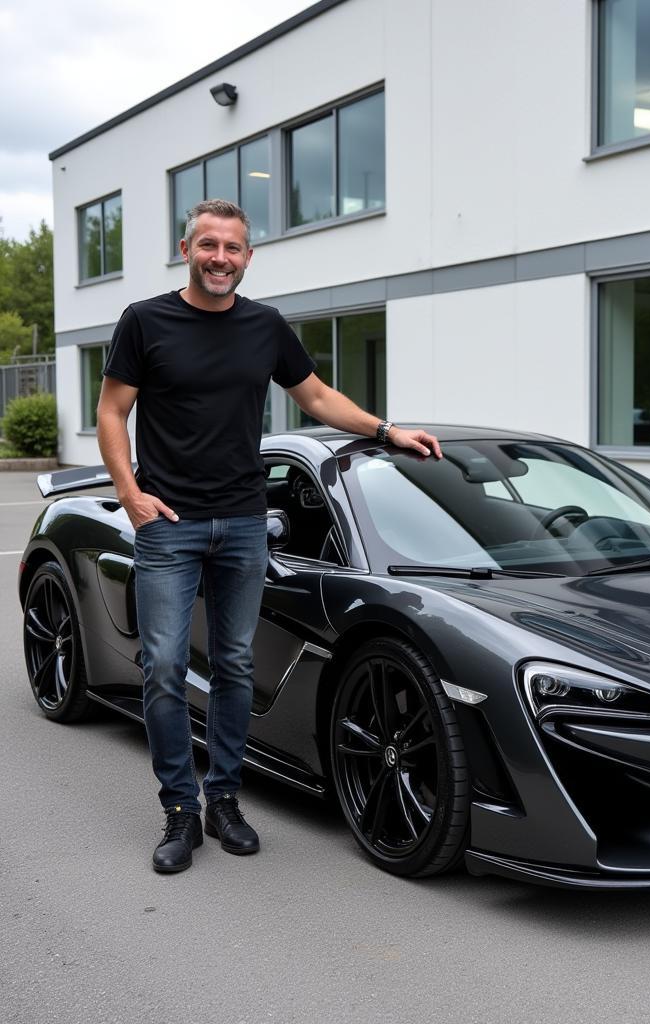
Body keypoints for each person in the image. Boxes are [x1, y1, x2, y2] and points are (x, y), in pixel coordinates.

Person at [97, 198, 441, 874]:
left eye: (232, 248)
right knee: (164, 666)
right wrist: (129, 493)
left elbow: (315, 397)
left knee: (235, 665)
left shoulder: (265, 326)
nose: (220, 258)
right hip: (170, 525)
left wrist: (384, 430)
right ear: (187, 249)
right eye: (208, 246)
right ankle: (179, 809)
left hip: (245, 523)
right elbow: (112, 410)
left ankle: (224, 798)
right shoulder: (145, 321)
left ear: (248, 257)